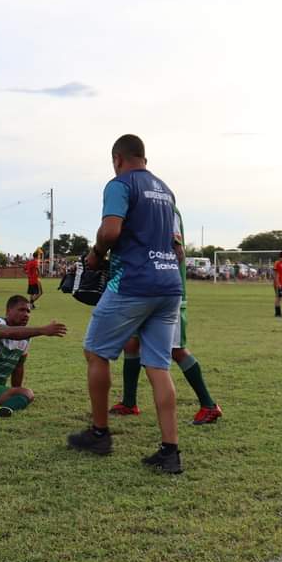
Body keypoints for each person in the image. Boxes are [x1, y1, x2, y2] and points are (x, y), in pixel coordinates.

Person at [68, 134, 184, 473]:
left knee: (96, 352)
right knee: (158, 366)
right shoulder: (165, 190)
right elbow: (177, 246)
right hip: (169, 285)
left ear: (118, 158)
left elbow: (111, 231)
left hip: (134, 282)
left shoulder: (119, 184)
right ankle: (170, 450)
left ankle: (100, 433)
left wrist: (95, 255)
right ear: (143, 157)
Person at [110, 204, 222, 425]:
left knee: (175, 349)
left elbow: (176, 252)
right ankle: (130, 403)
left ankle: (209, 405)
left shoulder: (165, 209)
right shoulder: (144, 210)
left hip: (167, 293)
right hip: (144, 292)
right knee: (131, 344)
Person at [273, 250, 282, 318]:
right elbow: (276, 274)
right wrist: (277, 283)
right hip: (279, 284)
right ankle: (277, 313)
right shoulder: (277, 263)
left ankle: (279, 313)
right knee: (278, 298)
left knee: (280, 298)